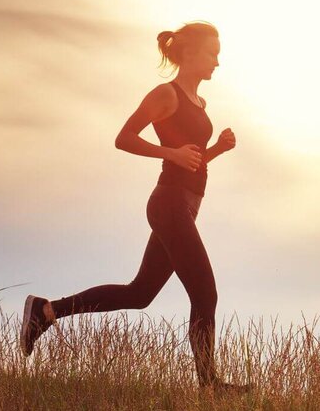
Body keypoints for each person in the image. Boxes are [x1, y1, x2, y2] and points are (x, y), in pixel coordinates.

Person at [19, 21, 252, 395]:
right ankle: (210, 386)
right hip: (169, 204)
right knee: (205, 293)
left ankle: (45, 312)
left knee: (139, 294)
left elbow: (191, 161)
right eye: (212, 54)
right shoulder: (166, 94)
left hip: (184, 206)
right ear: (190, 53)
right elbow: (124, 138)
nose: (217, 63)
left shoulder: (199, 103)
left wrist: (216, 151)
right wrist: (168, 151)